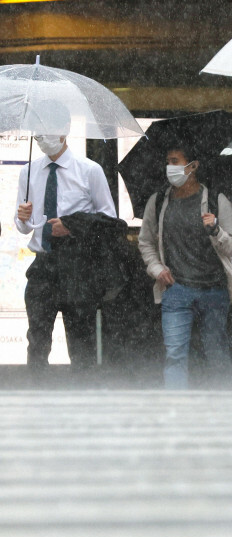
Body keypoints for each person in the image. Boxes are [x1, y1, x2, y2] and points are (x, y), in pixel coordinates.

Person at [14, 100, 117, 378]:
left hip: (78, 267)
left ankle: (81, 405)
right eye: (37, 129)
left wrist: (72, 226)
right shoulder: (29, 171)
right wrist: (22, 217)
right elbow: (23, 227)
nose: (41, 135)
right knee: (37, 340)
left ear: (64, 131)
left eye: (46, 129)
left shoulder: (89, 171)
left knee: (80, 344)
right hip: (43, 265)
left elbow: (110, 223)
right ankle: (37, 400)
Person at [138, 140, 232, 389]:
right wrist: (157, 269)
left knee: (217, 352)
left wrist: (216, 230)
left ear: (193, 166)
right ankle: (178, 410)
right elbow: (146, 242)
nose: (169, 167)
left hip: (214, 290)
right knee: (175, 355)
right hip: (176, 291)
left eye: (175, 162)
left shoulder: (217, 200)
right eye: (168, 162)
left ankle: (223, 406)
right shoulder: (159, 201)